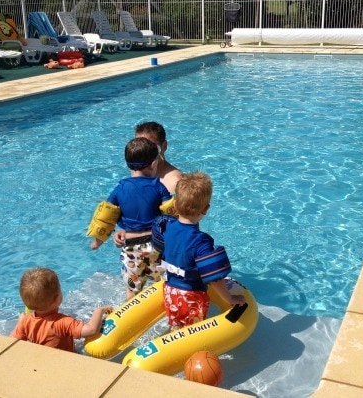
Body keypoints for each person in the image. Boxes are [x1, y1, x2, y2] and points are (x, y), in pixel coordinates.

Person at [155, 171, 245, 330]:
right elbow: (215, 279)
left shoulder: (167, 227)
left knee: (176, 329)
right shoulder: (201, 242)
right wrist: (229, 298)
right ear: (206, 209)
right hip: (191, 296)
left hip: (170, 291)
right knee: (190, 334)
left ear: (174, 204)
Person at [88, 137, 173, 299]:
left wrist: (97, 241)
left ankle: (128, 316)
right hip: (156, 245)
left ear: (127, 164)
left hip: (131, 249)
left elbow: (106, 215)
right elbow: (170, 212)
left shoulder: (120, 189)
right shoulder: (158, 186)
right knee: (164, 285)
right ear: (153, 164)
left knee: (132, 290)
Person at [10, 267, 113, 352]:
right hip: (64, 363)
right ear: (57, 298)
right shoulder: (62, 322)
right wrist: (99, 311)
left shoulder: (25, 322)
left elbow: (11, 341)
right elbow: (91, 330)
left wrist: (21, 323)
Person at [114, 121, 183, 246]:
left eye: (151, 146)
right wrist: (125, 230)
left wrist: (135, 236)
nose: (144, 152)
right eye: (139, 146)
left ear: (164, 146)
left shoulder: (174, 181)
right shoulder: (137, 175)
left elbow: (184, 224)